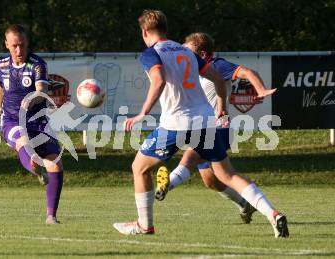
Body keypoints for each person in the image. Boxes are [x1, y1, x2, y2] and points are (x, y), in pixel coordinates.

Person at [113, 10, 289, 238]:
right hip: (206, 121)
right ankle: (272, 214)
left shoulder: (151, 53)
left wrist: (142, 113)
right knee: (226, 174)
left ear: (145, 32)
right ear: (166, 29)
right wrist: (222, 108)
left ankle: (144, 225)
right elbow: (218, 79)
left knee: (139, 168)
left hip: (176, 123)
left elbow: (158, 79)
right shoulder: (187, 53)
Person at [155, 32, 278, 224]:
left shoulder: (216, 65)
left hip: (218, 129)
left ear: (203, 54)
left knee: (189, 159)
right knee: (211, 180)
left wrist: (260, 90)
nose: (185, 56)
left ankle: (165, 186)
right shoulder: (193, 72)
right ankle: (245, 204)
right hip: (201, 129)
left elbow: (247, 72)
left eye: (189, 52)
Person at [0, 25, 63, 224]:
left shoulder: (37, 64)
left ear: (27, 43)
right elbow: (0, 87)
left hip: (38, 121)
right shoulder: (0, 66)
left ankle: (51, 216)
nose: (18, 50)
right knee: (24, 144)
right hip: (12, 121)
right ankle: (36, 168)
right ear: (6, 44)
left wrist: (31, 99)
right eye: (14, 46)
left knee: (56, 165)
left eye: (22, 45)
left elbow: (41, 89)